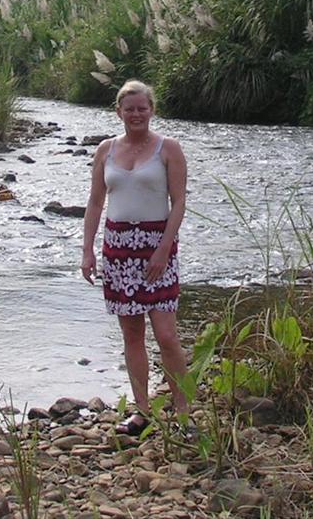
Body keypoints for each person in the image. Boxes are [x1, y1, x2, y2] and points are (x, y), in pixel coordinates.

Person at [81, 79, 190, 435]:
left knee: (167, 335)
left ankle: (184, 412)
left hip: (157, 246)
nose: (137, 114)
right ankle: (143, 411)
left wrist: (163, 249)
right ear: (119, 112)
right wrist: (87, 251)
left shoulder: (168, 148)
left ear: (152, 110)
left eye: (142, 108)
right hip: (117, 249)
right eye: (130, 109)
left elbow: (179, 204)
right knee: (132, 335)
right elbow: (96, 203)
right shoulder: (105, 150)